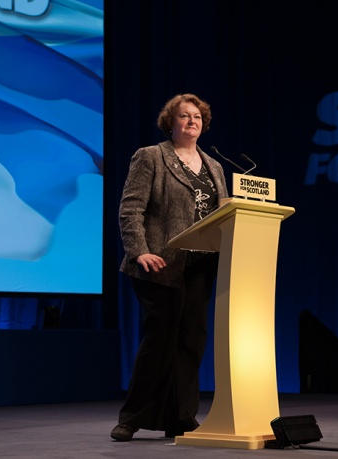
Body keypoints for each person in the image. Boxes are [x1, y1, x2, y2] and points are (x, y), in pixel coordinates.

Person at [110, 93, 229, 442]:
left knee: (191, 342)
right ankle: (132, 417)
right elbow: (131, 209)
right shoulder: (151, 156)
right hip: (159, 263)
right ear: (170, 122)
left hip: (200, 265)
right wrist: (139, 251)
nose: (192, 121)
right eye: (184, 116)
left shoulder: (215, 166)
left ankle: (181, 417)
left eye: (197, 117)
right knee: (160, 340)